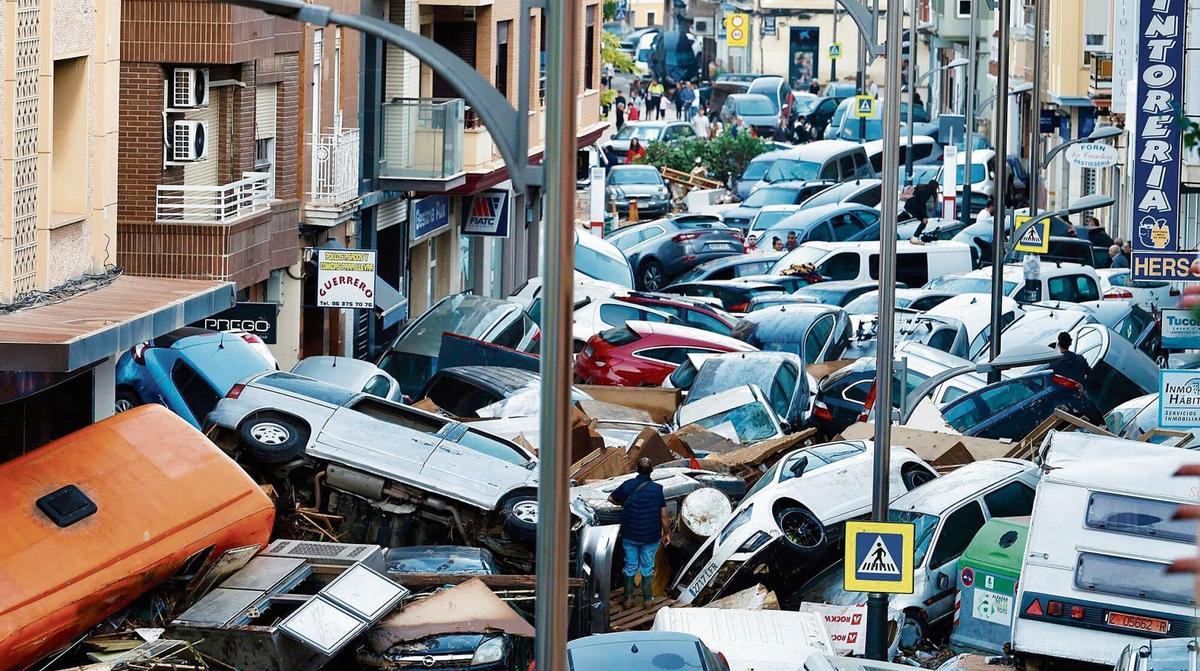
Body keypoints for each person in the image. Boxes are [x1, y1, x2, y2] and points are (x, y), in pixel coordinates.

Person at [608, 457, 669, 609]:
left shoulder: (628, 486)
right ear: (652, 471)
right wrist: (666, 533)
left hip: (630, 535)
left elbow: (611, 498)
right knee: (648, 567)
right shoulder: (657, 489)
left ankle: (628, 600)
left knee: (630, 566)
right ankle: (648, 600)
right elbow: (663, 515)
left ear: (636, 469)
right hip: (651, 536)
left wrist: (624, 503)